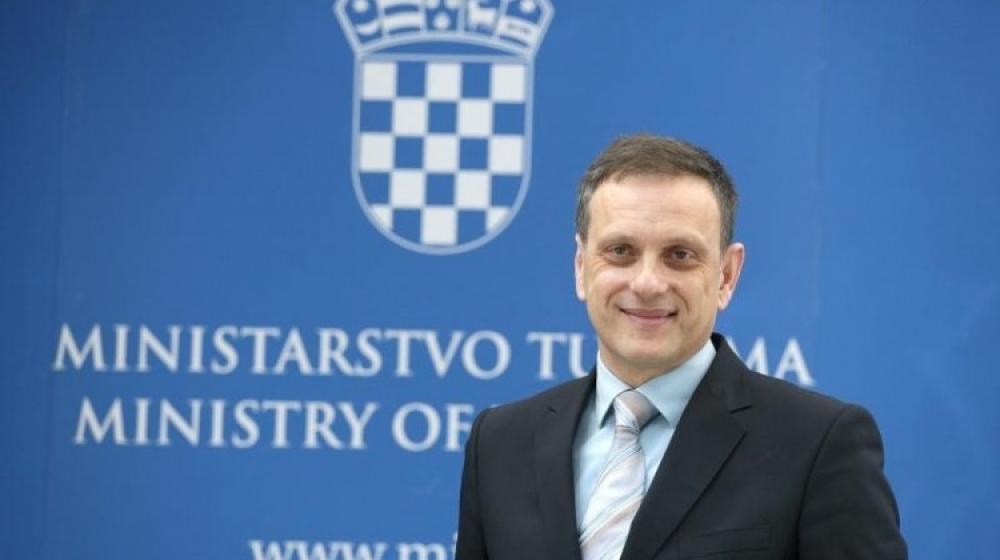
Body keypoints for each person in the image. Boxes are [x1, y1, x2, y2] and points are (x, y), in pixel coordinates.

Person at [455, 134, 907, 559]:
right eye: (621, 251)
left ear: (726, 275)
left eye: (680, 255)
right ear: (580, 267)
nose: (648, 283)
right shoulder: (499, 444)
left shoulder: (817, 444)